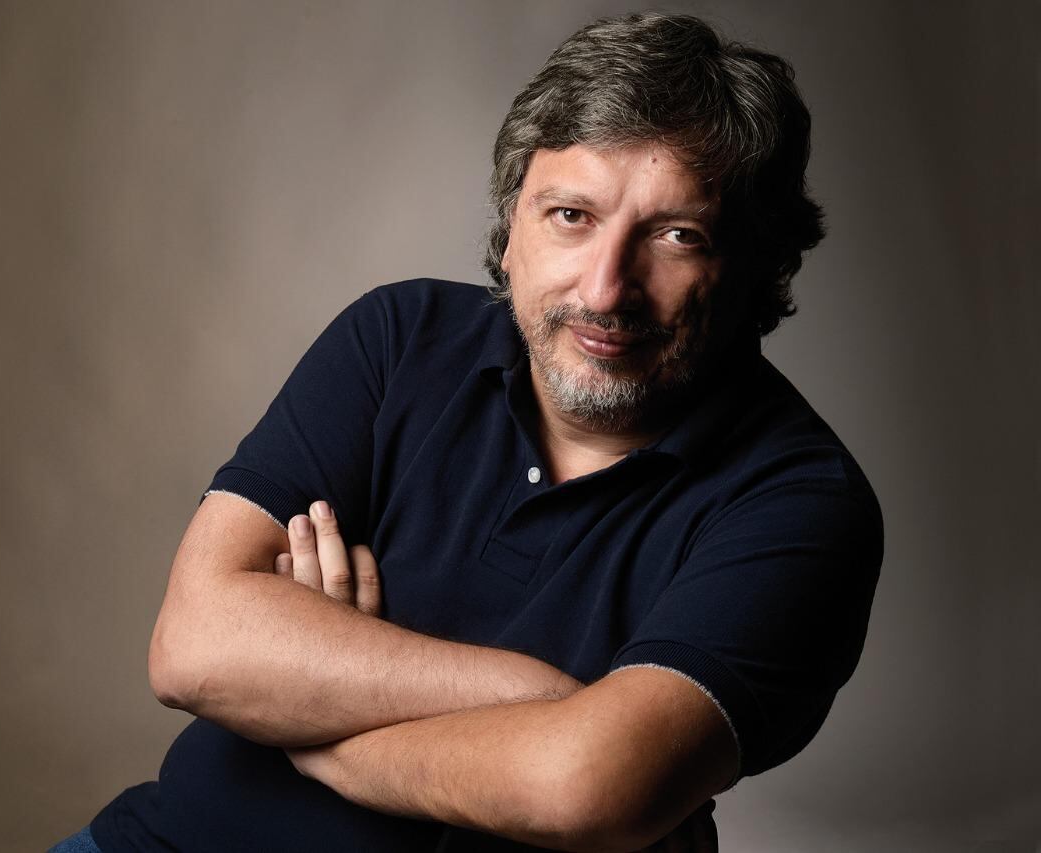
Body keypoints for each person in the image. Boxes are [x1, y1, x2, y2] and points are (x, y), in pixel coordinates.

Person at [59, 12, 882, 853]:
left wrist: (316, 727)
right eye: (571, 215)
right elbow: (193, 646)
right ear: (512, 225)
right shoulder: (398, 338)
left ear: (756, 265)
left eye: (678, 236)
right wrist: (540, 696)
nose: (607, 289)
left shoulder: (802, 501)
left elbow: (588, 781)